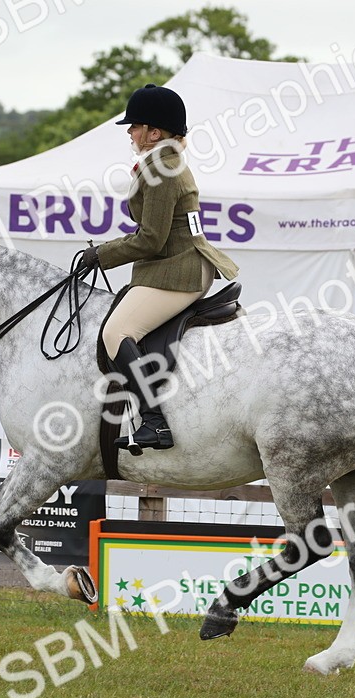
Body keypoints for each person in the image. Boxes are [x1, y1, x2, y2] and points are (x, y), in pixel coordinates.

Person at [80, 83, 239, 453]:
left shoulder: (163, 168)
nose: (130, 132)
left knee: (117, 332)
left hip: (179, 270)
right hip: (174, 263)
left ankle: (155, 422)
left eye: (135, 126)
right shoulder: (162, 162)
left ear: (155, 132)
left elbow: (150, 238)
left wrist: (101, 255)